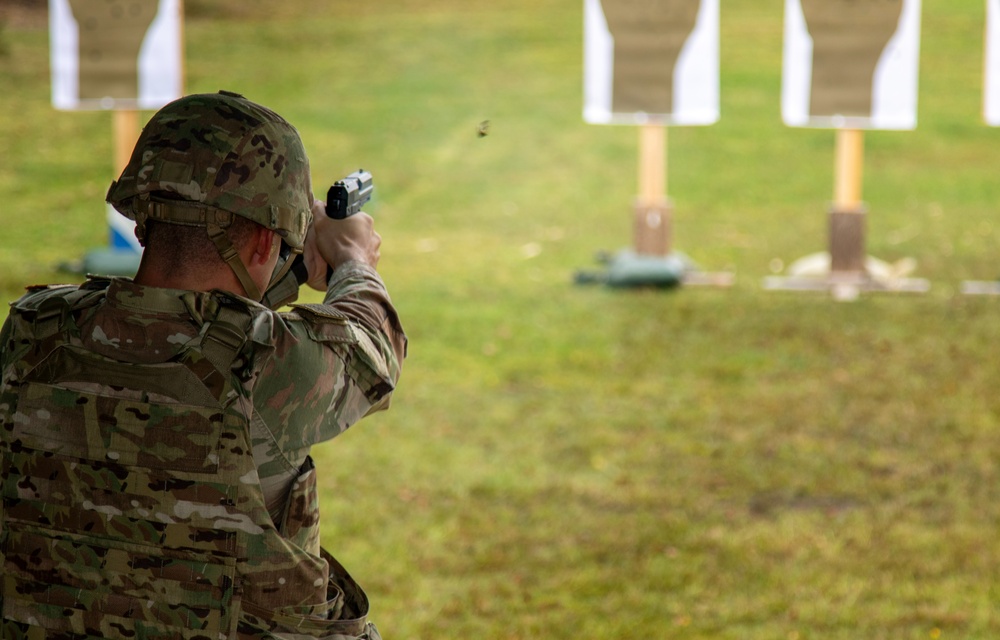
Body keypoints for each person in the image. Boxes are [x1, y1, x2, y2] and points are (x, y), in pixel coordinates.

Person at [0, 90, 406, 639]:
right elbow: (372, 349)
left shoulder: (34, 332)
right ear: (266, 241)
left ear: (142, 219)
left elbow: (190, 319)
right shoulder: (269, 364)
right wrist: (352, 261)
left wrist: (285, 265)